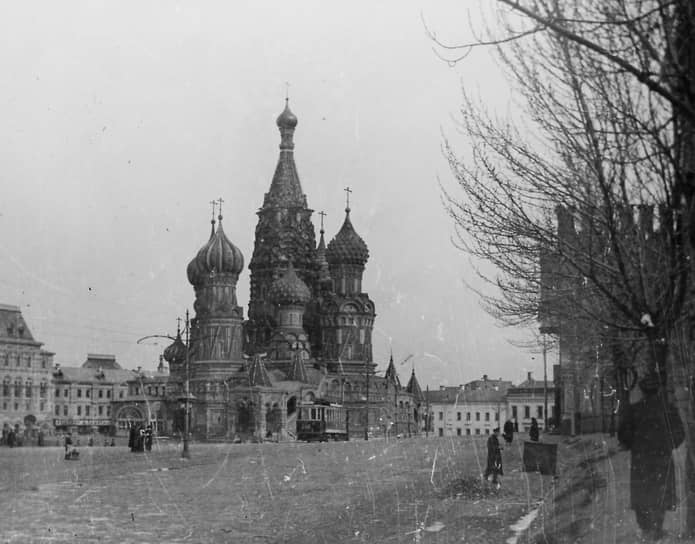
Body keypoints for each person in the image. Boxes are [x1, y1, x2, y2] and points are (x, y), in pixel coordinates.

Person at [618, 371, 684, 541]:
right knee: (660, 494)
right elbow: (680, 433)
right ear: (658, 390)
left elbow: (623, 435)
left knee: (642, 494)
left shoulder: (634, 410)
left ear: (642, 390)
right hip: (662, 458)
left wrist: (634, 444)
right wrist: (668, 445)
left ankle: (645, 529)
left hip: (641, 460)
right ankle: (657, 528)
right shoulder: (668, 410)